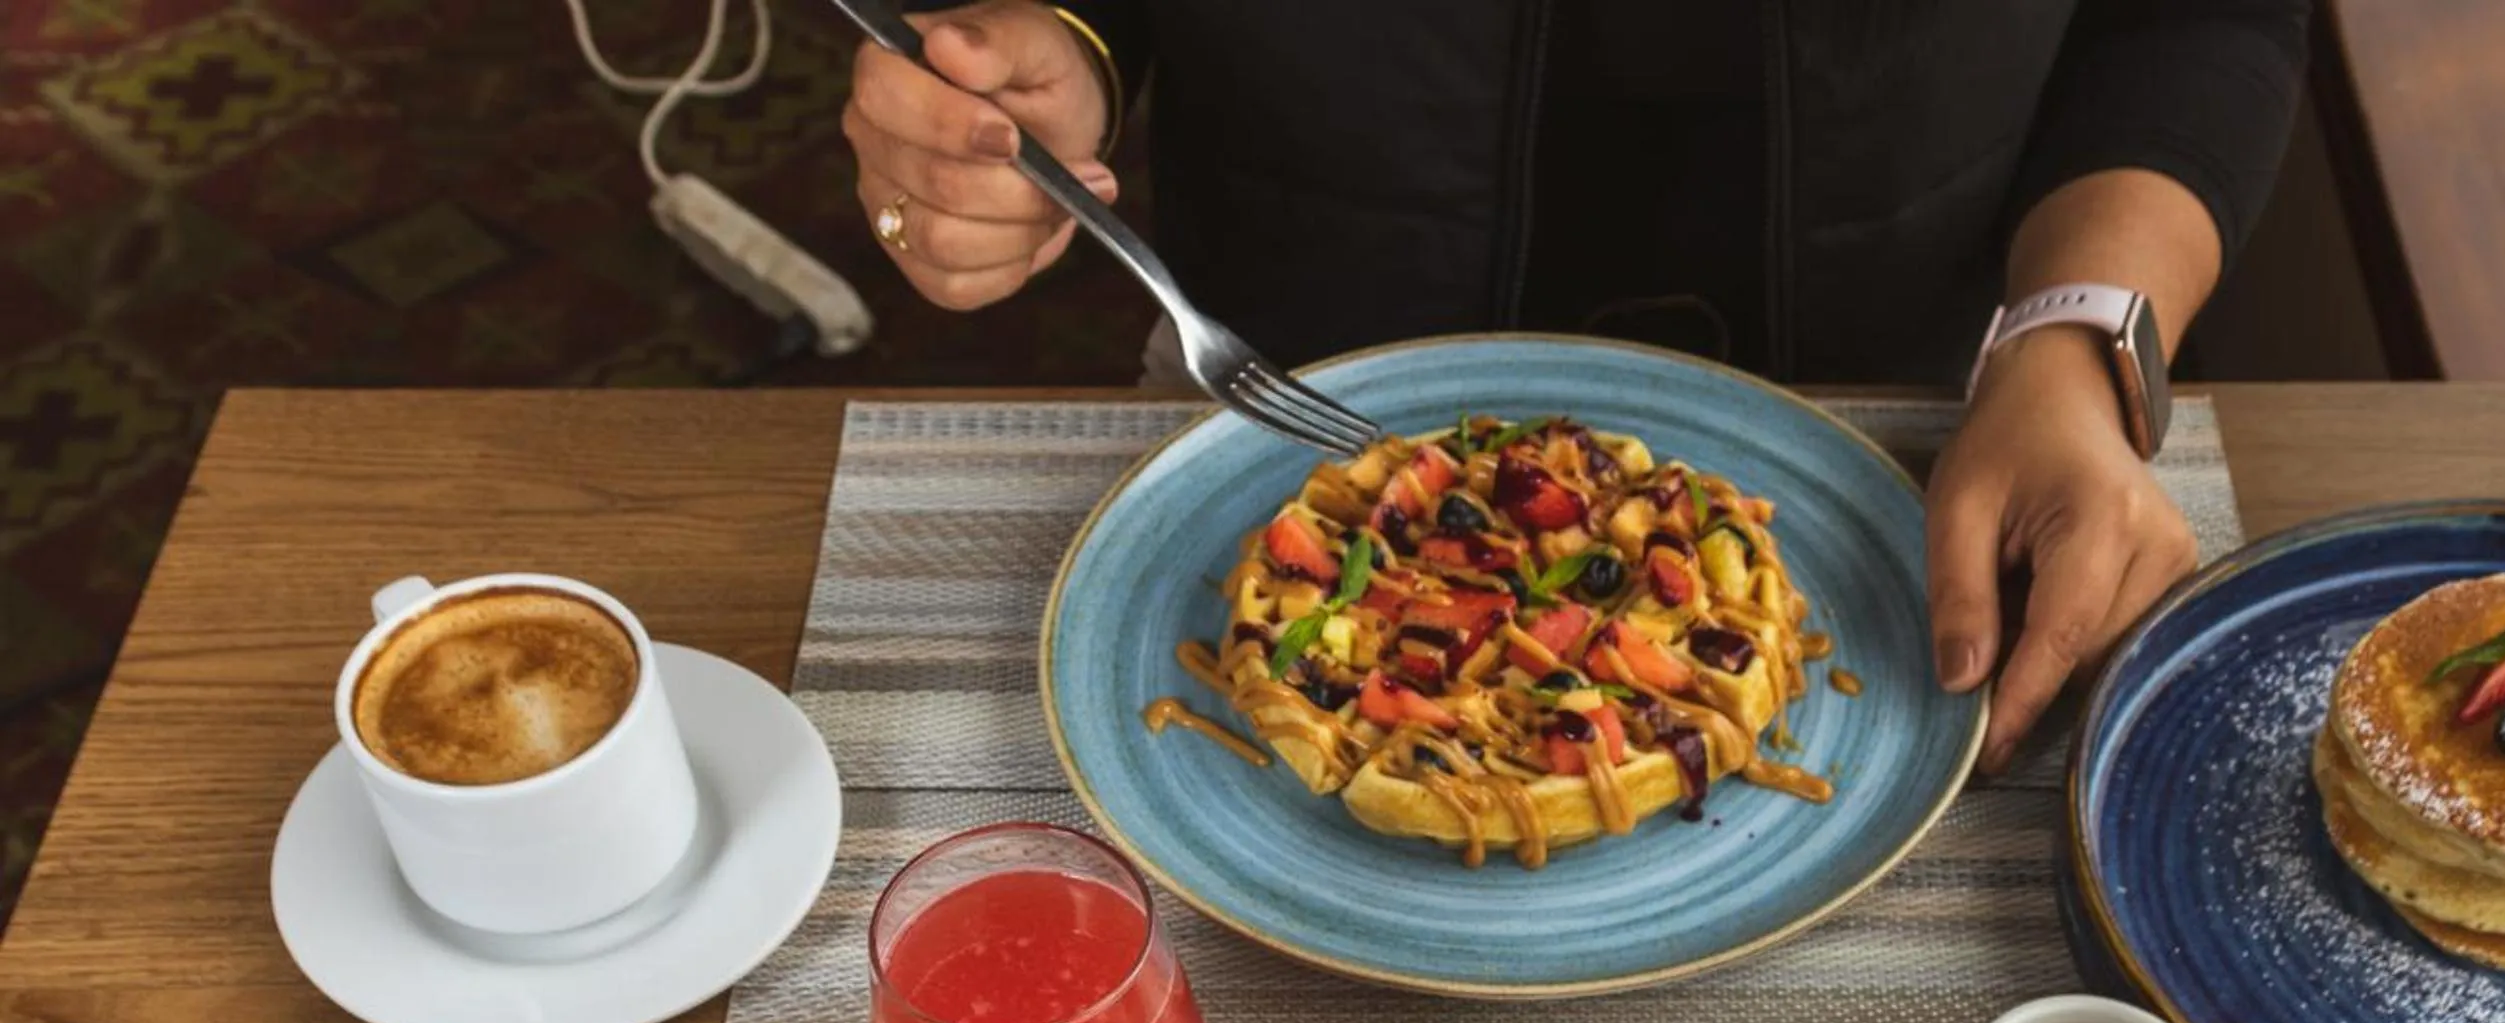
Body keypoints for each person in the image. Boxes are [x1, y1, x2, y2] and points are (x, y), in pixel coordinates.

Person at [841, 2, 2305, 770]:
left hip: (1929, 410)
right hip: (1290, 373)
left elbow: (2195, 14)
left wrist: (2074, 332)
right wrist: (1045, 61)